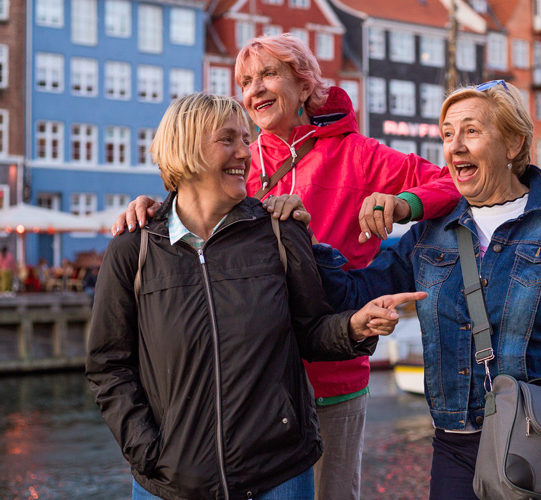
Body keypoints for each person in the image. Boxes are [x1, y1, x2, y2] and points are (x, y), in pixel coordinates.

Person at [111, 33, 459, 500]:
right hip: (253, 384)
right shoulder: (242, 164)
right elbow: (194, 218)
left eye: (268, 74)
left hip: (330, 368)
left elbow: (450, 184)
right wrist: (156, 209)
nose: (254, 89)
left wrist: (403, 203)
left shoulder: (359, 156)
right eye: (245, 80)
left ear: (304, 83)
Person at [290, 81, 541, 499]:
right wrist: (302, 234)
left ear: (514, 143)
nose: (455, 146)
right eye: (447, 134)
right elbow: (351, 293)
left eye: (471, 131)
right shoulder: (430, 235)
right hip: (456, 445)